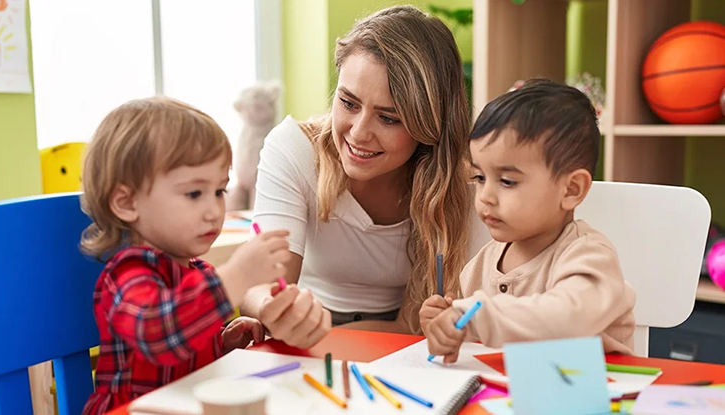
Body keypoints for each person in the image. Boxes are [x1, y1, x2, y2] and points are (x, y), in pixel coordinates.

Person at [240, 5, 488, 348]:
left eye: (388, 118)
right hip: (306, 336)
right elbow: (264, 283)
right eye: (348, 102)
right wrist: (272, 308)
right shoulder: (295, 149)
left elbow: (420, 325)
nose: (358, 133)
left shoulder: (460, 183)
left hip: (401, 346)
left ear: (429, 126)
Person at [80, 97, 291, 413]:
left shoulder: (199, 272)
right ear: (126, 203)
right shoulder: (128, 274)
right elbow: (159, 335)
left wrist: (221, 342)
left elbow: (184, 350)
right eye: (194, 194)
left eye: (219, 191)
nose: (214, 211)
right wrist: (236, 277)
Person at [422, 79, 636, 363]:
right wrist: (446, 328)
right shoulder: (479, 267)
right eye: (480, 178)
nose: (485, 196)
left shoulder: (590, 256)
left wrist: (475, 317)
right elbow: (483, 341)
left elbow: (567, 320)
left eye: (507, 181)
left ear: (571, 190)